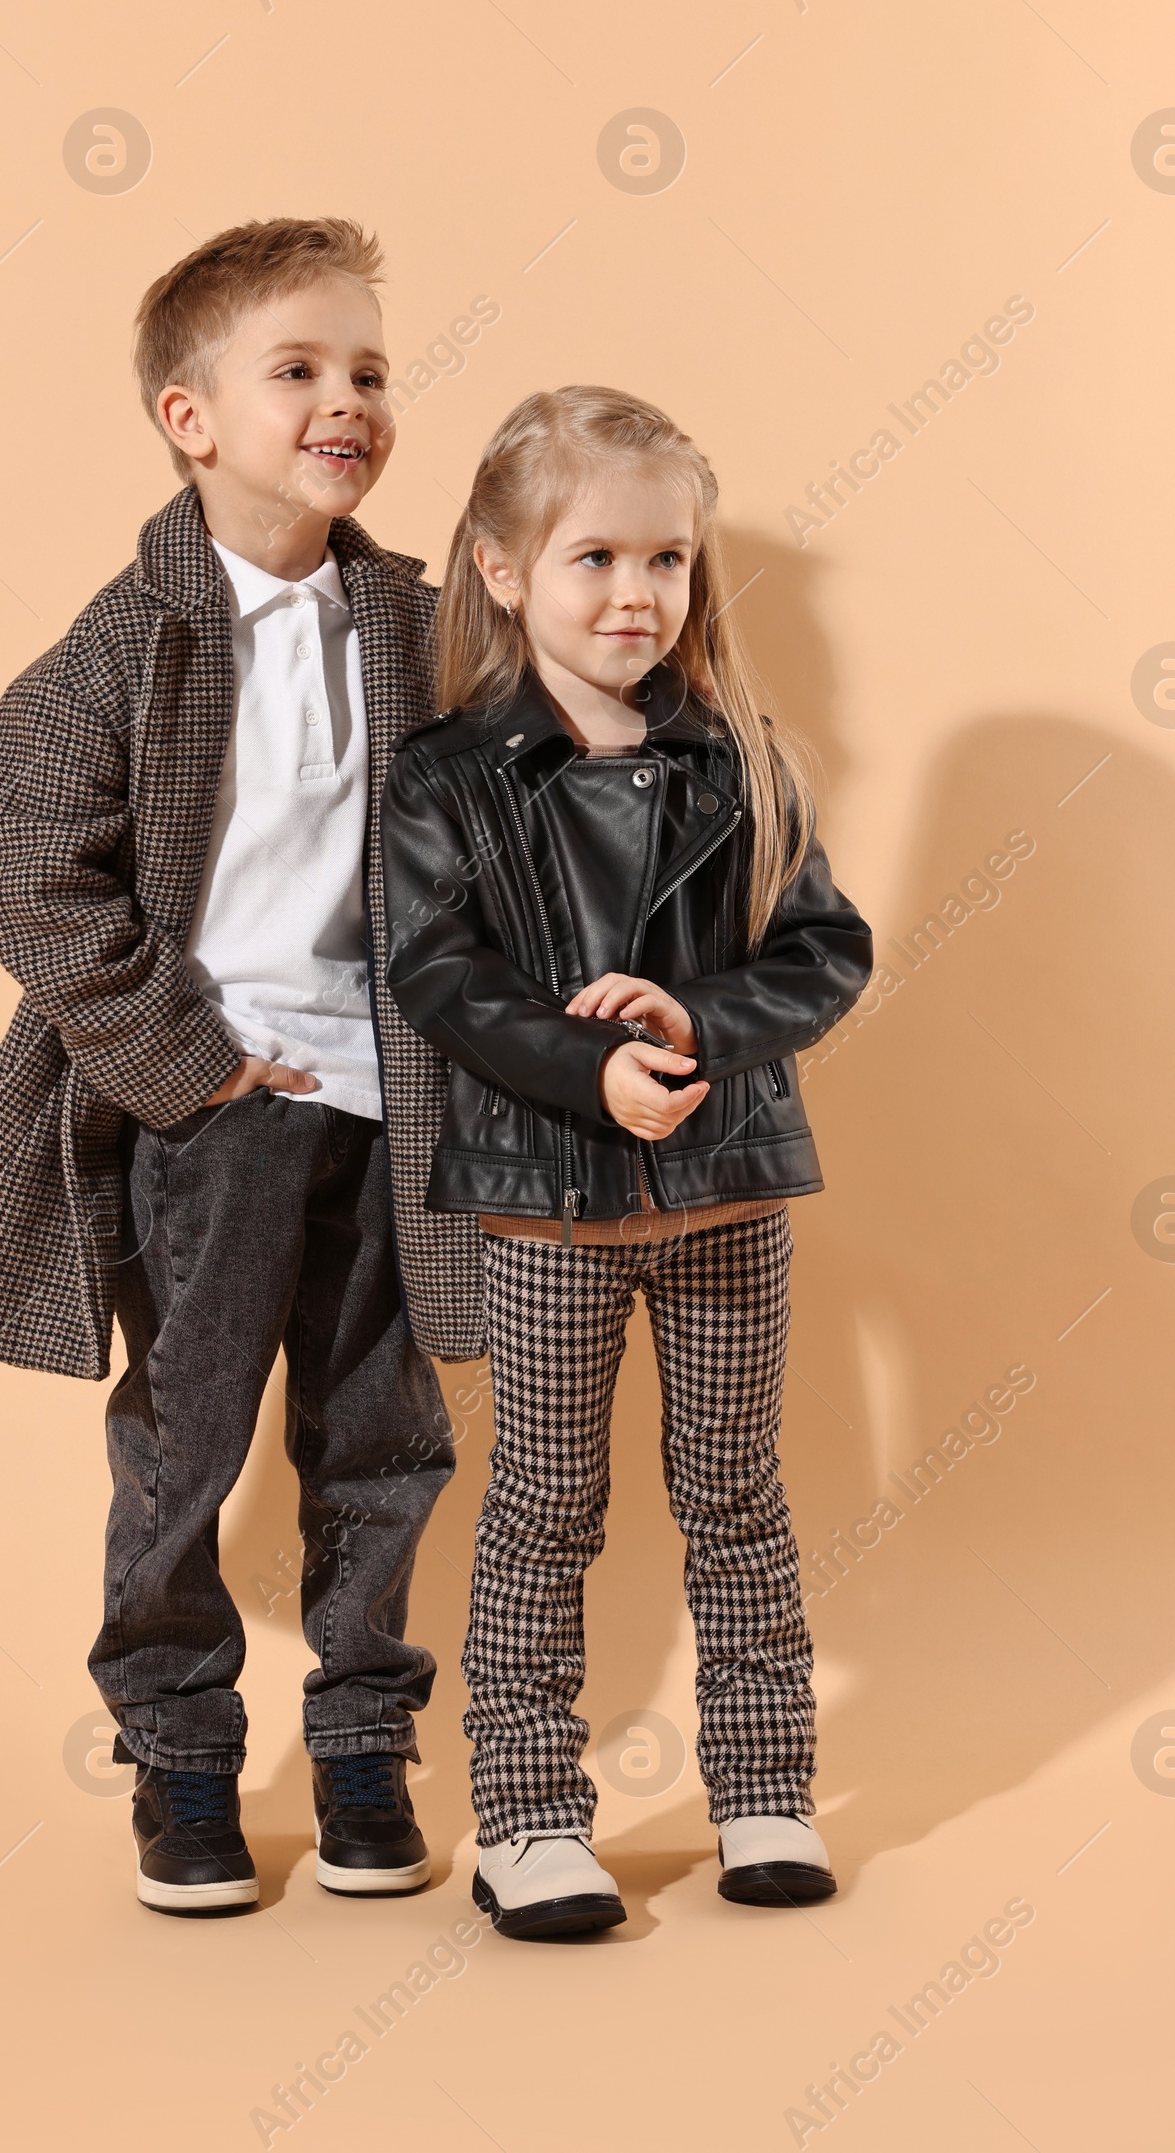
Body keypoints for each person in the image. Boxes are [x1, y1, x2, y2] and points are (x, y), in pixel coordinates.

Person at [0, 218, 483, 1914]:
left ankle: (367, 1743)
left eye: (369, 370)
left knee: (386, 1430)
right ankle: (180, 1760)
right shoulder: (130, 635)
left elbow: (515, 815)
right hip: (219, 1106)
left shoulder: (422, 623)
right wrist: (194, 1060)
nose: (347, 400)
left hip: (395, 1099)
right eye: (297, 369)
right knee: (187, 1435)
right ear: (191, 416)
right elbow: (20, 856)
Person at [382, 386, 873, 1939]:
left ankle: (763, 1792)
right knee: (544, 1502)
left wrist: (697, 1022)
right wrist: (594, 1068)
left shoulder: (740, 762)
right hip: (548, 1212)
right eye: (594, 556)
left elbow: (822, 954)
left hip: (726, 1190)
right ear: (504, 570)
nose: (636, 595)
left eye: (666, 558)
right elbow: (438, 979)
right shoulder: (448, 774)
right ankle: (526, 1817)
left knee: (736, 1494)